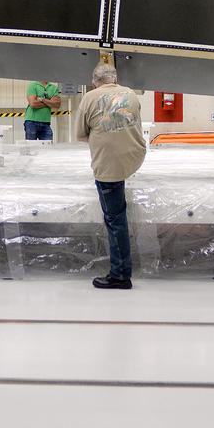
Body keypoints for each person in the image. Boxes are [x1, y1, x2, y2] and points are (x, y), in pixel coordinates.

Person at [76, 63, 146, 290]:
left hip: (109, 166)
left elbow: (81, 134)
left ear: (95, 80)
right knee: (118, 213)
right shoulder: (131, 95)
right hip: (133, 157)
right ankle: (121, 270)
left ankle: (120, 275)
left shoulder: (90, 97)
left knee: (115, 220)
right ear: (115, 79)